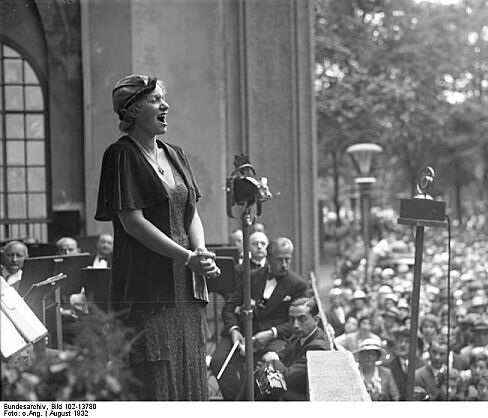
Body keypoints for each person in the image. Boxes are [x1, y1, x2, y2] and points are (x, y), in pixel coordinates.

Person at [95, 74, 219, 401]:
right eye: (155, 100)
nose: (165, 105)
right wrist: (187, 257)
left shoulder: (175, 153)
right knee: (155, 371)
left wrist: (201, 252)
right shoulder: (120, 155)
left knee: (190, 363)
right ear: (132, 111)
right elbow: (133, 223)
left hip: (186, 282)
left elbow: (190, 212)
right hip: (147, 287)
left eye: (163, 98)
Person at [209, 237, 307, 400]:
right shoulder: (251, 277)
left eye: (287, 259)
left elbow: (297, 323)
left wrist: (271, 333)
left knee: (270, 367)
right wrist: (234, 331)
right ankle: (239, 403)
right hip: (242, 334)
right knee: (218, 362)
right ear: (268, 259)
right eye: (279, 260)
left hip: (274, 338)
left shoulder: (298, 284)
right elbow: (229, 306)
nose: (284, 265)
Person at [259, 297, 328, 400]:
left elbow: (288, 377)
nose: (295, 325)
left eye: (302, 319)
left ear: (316, 320)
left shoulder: (317, 348)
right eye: (292, 319)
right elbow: (283, 355)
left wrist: (273, 360)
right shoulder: (301, 334)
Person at [382, 326, 424, 400]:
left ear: (415, 345)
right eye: (400, 341)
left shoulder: (422, 366)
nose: (402, 345)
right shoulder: (387, 367)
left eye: (407, 342)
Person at [414, 334, 451, 401]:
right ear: (429, 351)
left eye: (442, 354)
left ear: (448, 355)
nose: (437, 357)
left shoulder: (452, 374)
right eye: (434, 352)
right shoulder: (418, 376)